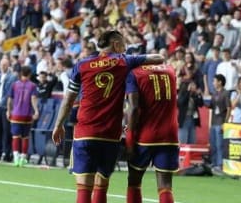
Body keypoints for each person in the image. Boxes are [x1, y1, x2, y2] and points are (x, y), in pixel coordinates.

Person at [52, 30, 164, 203]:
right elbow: (158, 58)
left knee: (83, 186)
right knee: (102, 185)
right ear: (117, 45)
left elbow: (68, 99)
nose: (125, 47)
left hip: (85, 132)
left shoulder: (82, 64)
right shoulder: (124, 61)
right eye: (124, 44)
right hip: (109, 135)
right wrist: (133, 59)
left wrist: (58, 124)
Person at [125, 63, 179, 203]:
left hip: (145, 135)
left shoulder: (134, 73)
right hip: (169, 135)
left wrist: (129, 138)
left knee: (134, 180)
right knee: (165, 185)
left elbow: (134, 108)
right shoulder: (170, 69)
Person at [7, 66, 39, 167]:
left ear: (21, 73)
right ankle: (23, 158)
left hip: (16, 114)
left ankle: (16, 158)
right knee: (25, 137)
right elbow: (33, 98)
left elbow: (9, 99)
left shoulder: (14, 85)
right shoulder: (33, 86)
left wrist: (8, 111)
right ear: (29, 74)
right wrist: (36, 111)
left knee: (15, 136)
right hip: (27, 115)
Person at [0, 58, 16, 162]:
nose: (2, 66)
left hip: (5, 106)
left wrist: (8, 108)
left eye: (5, 65)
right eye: (1, 64)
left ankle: (7, 154)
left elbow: (9, 93)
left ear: (8, 66)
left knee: (6, 131)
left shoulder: (12, 77)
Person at [207, 74, 230, 175]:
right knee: (213, 144)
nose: (213, 83)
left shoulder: (226, 93)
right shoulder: (214, 94)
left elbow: (229, 108)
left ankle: (220, 165)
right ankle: (214, 163)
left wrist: (225, 123)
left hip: (220, 122)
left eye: (214, 81)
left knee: (220, 144)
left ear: (220, 82)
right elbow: (211, 107)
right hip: (213, 122)